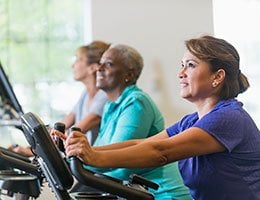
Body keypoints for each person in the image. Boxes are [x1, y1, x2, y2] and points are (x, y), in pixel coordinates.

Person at [61, 36, 260, 200]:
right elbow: (144, 143)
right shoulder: (192, 121)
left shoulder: (229, 118)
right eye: (182, 65)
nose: (181, 73)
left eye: (190, 65)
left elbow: (161, 152)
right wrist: (84, 151)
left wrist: (94, 157)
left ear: (217, 77)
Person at [54, 44, 192, 199]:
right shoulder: (110, 106)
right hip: (134, 192)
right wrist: (73, 152)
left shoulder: (137, 103)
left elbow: (120, 164)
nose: (99, 68)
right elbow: (100, 150)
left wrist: (79, 159)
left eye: (108, 64)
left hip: (162, 194)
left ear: (129, 74)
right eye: (100, 63)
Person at [9, 41, 110, 156]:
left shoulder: (104, 97)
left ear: (93, 68)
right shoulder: (86, 94)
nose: (73, 65)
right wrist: (33, 144)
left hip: (91, 163)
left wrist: (30, 151)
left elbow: (73, 134)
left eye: (78, 60)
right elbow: (63, 124)